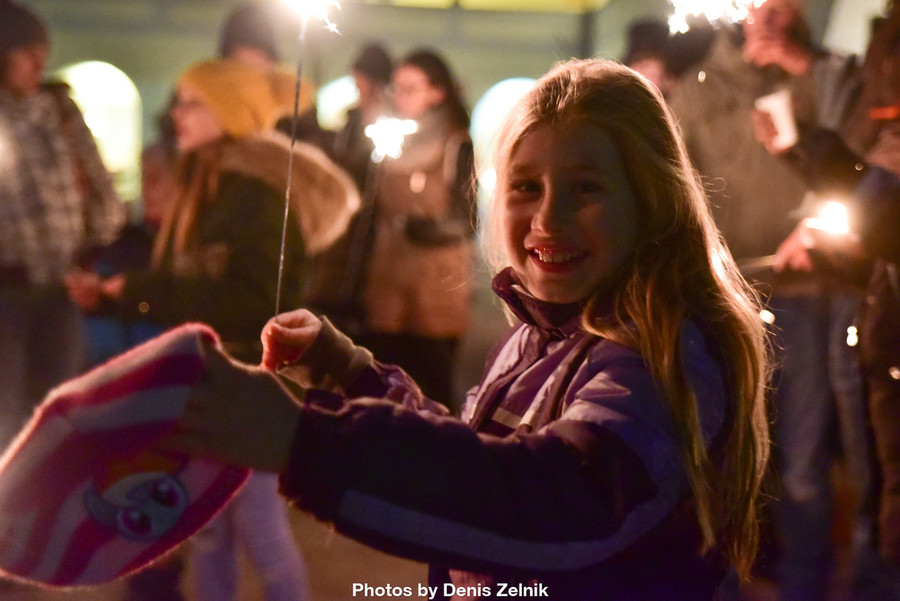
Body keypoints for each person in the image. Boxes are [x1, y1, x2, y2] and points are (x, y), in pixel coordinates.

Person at [163, 58, 771, 600]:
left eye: (586, 188)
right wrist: (348, 375)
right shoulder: (539, 334)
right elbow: (478, 459)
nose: (548, 218)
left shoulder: (661, 351)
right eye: (527, 187)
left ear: (652, 200)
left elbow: (558, 499)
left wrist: (308, 443)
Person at [65, 58, 359, 601]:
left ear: (229, 112)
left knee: (260, 533)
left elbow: (250, 301)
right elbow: (197, 281)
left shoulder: (255, 192)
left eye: (193, 103)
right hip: (214, 377)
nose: (177, 113)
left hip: (248, 381)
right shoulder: (213, 179)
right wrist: (123, 293)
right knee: (209, 534)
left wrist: (135, 292)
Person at [668, 1, 876, 598]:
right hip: (732, 293)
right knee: (730, 451)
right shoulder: (700, 89)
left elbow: (860, 157)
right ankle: (729, 578)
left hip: (815, 289)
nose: (770, 16)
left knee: (809, 459)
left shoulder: (832, 78)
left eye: (784, 6)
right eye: (760, 4)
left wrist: (803, 67)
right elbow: (677, 185)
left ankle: (807, 583)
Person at [0, 0, 125, 446]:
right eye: (26, 54)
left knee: (58, 408)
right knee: (6, 411)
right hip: (6, 291)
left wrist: (97, 234)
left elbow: (100, 185)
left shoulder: (60, 111)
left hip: (62, 288)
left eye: (42, 54)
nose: (39, 64)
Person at [356, 48, 477, 409]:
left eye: (411, 88)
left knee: (432, 390)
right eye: (398, 89)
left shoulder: (456, 145)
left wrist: (427, 229)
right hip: (386, 284)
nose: (401, 97)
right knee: (382, 392)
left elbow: (467, 219)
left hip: (436, 290)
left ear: (437, 92)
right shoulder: (386, 141)